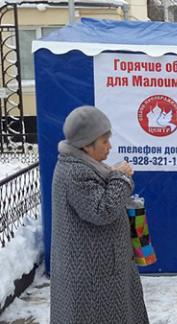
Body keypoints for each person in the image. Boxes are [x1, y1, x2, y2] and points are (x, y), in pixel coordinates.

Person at [50, 106, 148, 324]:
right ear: (86, 144)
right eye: (104, 141)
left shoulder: (83, 165)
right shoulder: (75, 172)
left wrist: (113, 176)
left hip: (101, 269)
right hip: (93, 276)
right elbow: (102, 211)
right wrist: (120, 178)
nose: (109, 147)